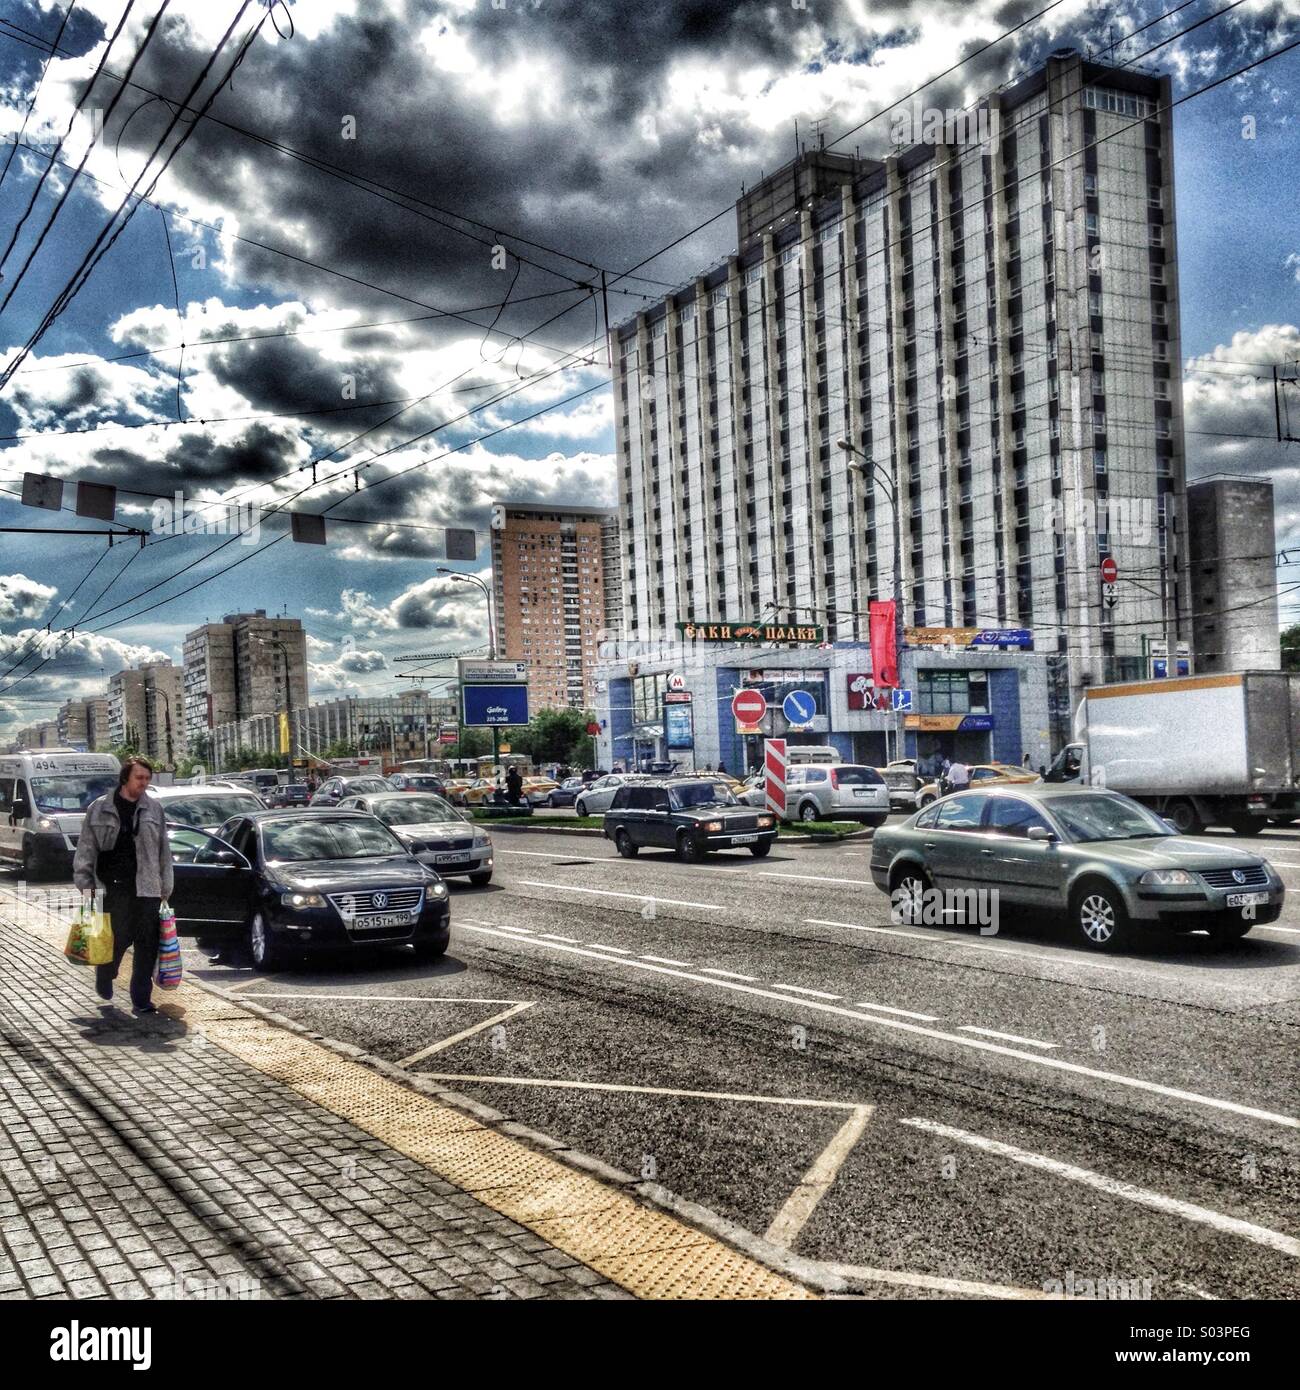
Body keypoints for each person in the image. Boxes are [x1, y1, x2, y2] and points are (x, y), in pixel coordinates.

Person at [72, 756, 173, 1016]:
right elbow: (86, 847)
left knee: (147, 944)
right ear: (125, 778)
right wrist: (84, 881)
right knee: (117, 938)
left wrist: (166, 884)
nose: (144, 783)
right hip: (112, 886)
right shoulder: (99, 808)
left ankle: (141, 999)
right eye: (139, 778)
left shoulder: (154, 809)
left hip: (147, 886)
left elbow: (164, 850)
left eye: (147, 779)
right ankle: (105, 972)